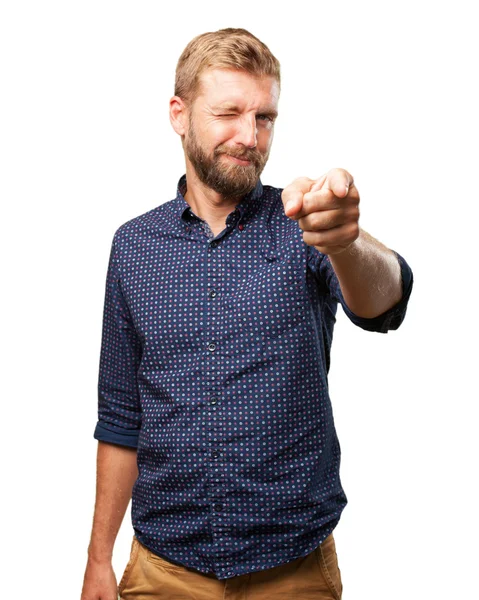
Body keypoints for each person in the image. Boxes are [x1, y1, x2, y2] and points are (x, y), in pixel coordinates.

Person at [81, 27, 414, 600]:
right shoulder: (133, 246)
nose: (249, 136)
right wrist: (97, 559)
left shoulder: (303, 225)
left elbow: (386, 304)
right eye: (229, 113)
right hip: (164, 572)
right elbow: (120, 416)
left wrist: (346, 243)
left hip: (294, 572)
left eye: (265, 118)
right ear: (179, 114)